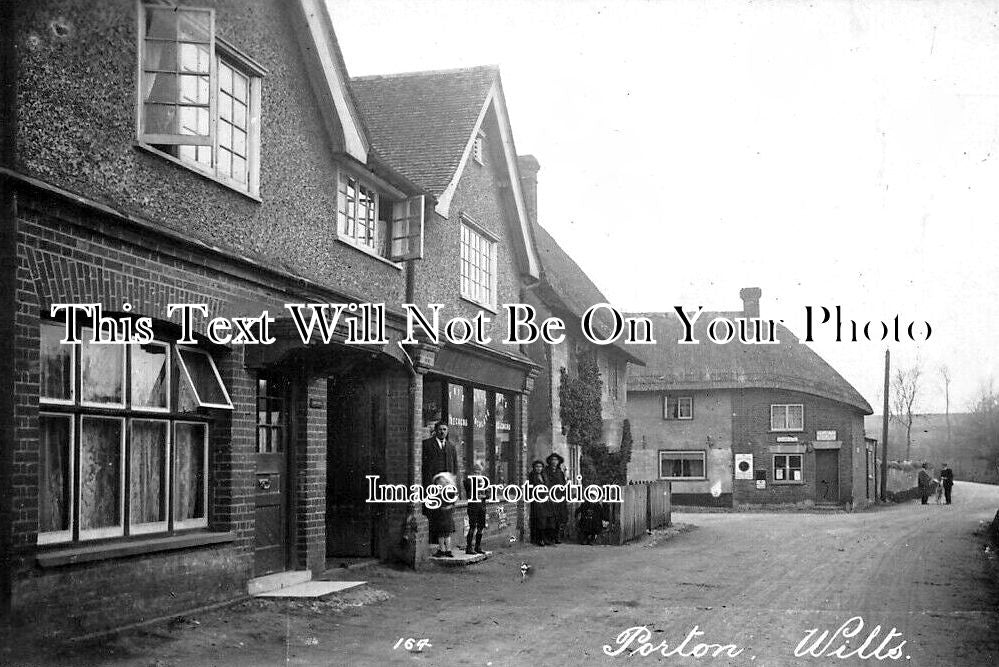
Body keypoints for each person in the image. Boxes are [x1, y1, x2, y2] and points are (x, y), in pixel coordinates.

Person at [422, 421, 458, 555]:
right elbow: (423, 468)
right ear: (435, 431)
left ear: (447, 431)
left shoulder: (451, 447)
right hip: (433, 488)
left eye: (445, 429)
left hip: (446, 489)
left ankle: (445, 549)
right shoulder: (426, 445)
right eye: (440, 429)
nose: (442, 432)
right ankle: (438, 547)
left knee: (446, 518)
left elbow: (454, 470)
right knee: (435, 516)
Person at [428, 471, 457, 557]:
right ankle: (442, 550)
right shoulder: (435, 493)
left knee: (447, 534)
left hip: (446, 515)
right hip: (439, 515)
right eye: (438, 482)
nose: (439, 484)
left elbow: (454, 501)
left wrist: (449, 507)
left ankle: (448, 550)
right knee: (440, 534)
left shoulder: (449, 492)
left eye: (441, 482)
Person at [462, 464, 488, 555]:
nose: (477, 474)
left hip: (482, 507)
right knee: (472, 527)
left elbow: (488, 494)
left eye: (479, 472)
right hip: (473, 507)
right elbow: (467, 485)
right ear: (472, 473)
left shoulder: (484, 481)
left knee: (481, 527)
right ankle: (469, 548)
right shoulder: (468, 481)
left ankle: (478, 546)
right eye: (475, 472)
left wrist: (484, 496)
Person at [527, 460, 553, 546]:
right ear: (534, 467)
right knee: (540, 519)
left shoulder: (544, 475)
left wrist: (548, 495)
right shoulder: (532, 476)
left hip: (545, 499)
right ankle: (539, 539)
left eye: (540, 467)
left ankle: (545, 538)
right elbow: (530, 488)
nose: (539, 468)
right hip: (537, 500)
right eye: (537, 467)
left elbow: (547, 486)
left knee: (546, 519)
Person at [545, 452, 568, 544]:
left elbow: (563, 484)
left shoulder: (560, 472)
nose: (554, 462)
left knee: (559, 518)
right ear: (550, 461)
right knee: (550, 518)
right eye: (552, 460)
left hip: (559, 497)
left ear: (558, 462)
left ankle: (557, 537)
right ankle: (549, 537)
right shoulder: (546, 471)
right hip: (549, 496)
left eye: (556, 460)